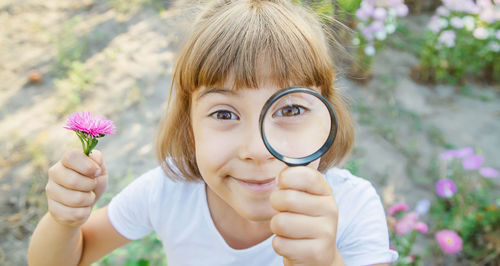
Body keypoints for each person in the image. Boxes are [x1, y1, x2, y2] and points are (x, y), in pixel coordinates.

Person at [28, 0, 398, 265]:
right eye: (223, 113)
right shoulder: (167, 192)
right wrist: (64, 221)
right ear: (190, 127)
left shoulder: (353, 208)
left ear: (328, 118)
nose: (257, 149)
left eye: (291, 109)